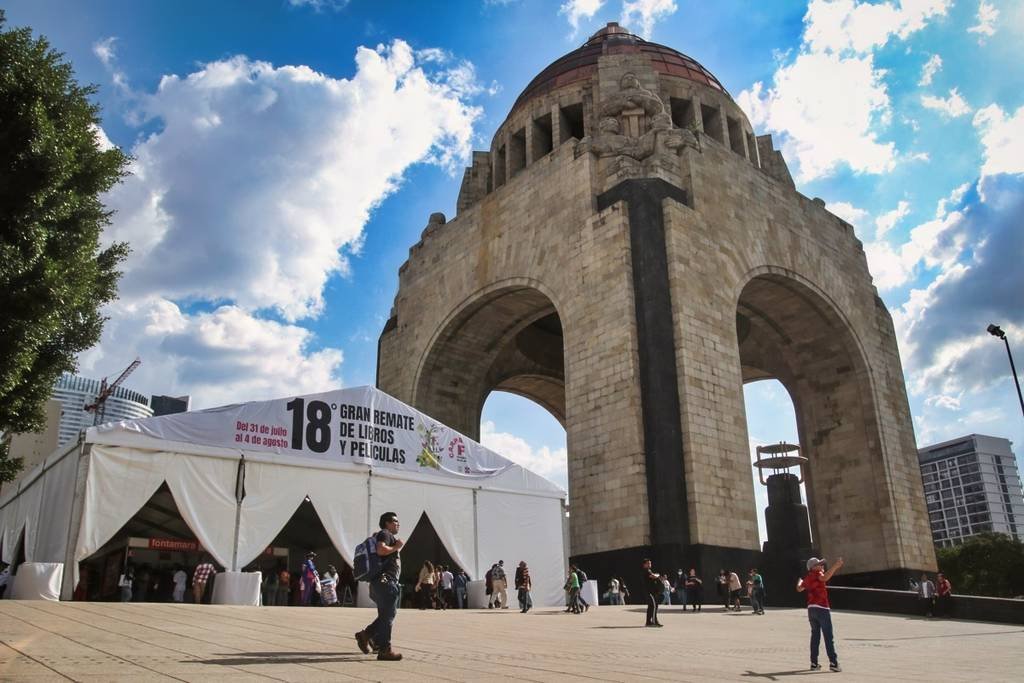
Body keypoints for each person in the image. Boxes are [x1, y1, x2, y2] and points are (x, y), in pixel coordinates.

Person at [354, 511, 404, 661]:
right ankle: (384, 650)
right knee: (388, 616)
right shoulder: (385, 533)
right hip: (385, 581)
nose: (398, 524)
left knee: (386, 615)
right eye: (395, 521)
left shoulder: (383, 535)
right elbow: (381, 550)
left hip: (379, 582)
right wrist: (397, 546)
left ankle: (369, 637)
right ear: (387, 523)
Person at [797, 556, 843, 673]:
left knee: (815, 636)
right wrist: (835, 566)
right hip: (822, 608)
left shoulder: (808, 577)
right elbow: (825, 578)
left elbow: (799, 589)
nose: (822, 566)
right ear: (813, 567)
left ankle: (814, 663)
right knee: (828, 637)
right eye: (819, 564)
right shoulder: (817, 574)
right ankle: (833, 663)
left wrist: (800, 581)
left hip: (811, 609)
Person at [643, 558, 663, 627]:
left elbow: (653, 576)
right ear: (644, 565)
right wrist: (658, 576)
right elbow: (653, 576)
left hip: (651, 591)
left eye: (650, 563)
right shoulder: (646, 571)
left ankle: (648, 622)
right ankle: (654, 622)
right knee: (654, 606)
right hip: (650, 592)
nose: (649, 564)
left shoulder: (649, 570)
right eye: (648, 563)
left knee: (651, 606)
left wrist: (657, 576)